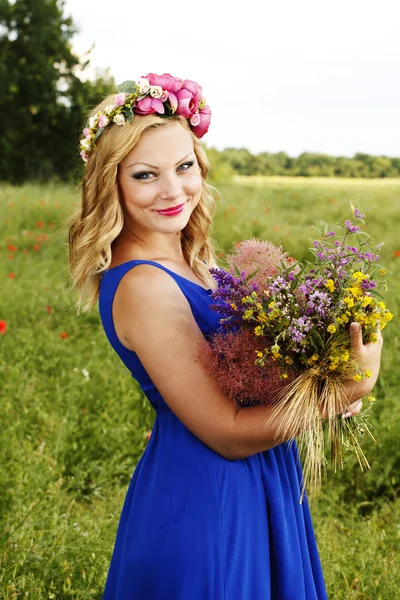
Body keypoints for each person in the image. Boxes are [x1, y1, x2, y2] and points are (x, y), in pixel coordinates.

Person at [68, 73, 383, 600]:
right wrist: (346, 390)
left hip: (254, 482)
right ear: (111, 184)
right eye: (146, 175)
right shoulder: (145, 284)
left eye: (184, 167)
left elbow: (234, 380)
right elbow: (228, 432)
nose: (173, 190)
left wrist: (311, 371)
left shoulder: (193, 259)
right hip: (209, 500)